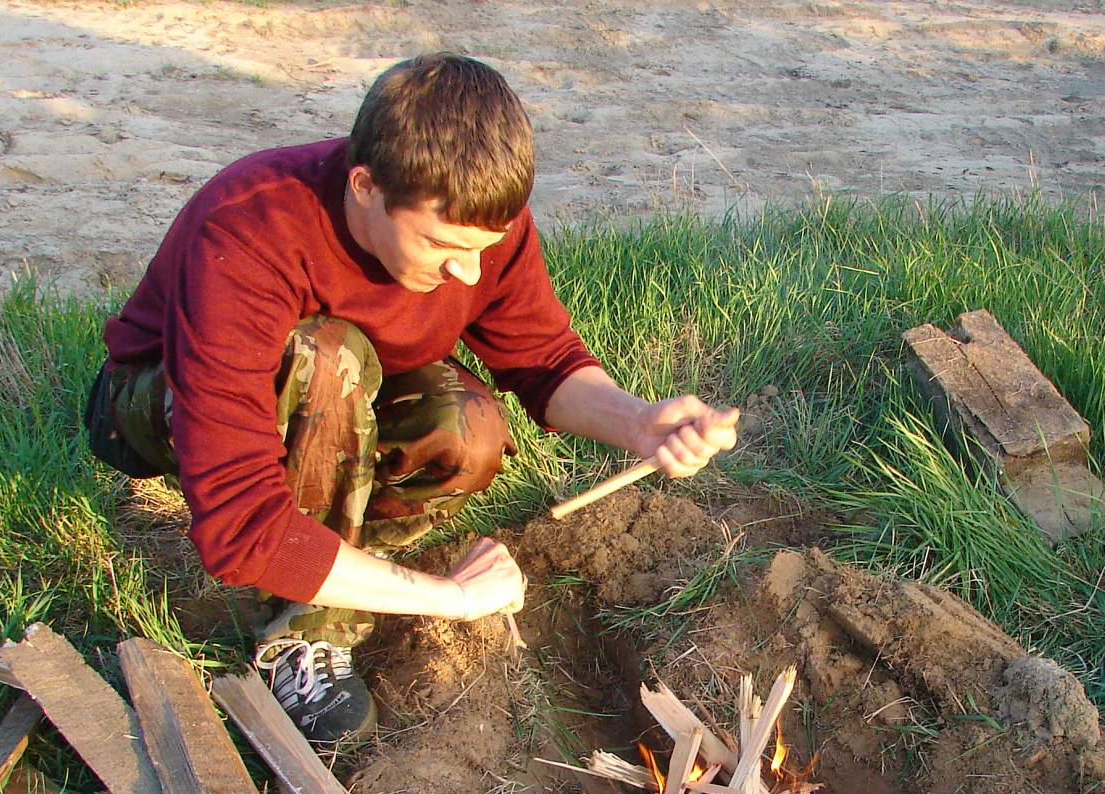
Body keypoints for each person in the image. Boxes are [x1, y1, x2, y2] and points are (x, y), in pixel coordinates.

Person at [87, 52, 739, 743]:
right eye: (440, 247)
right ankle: (304, 632)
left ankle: (351, 553)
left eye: (482, 249)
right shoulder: (252, 230)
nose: (466, 270)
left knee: (468, 425)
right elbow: (239, 523)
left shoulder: (477, 222)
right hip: (155, 401)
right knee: (327, 359)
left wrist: (638, 422)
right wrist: (450, 599)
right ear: (365, 187)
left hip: (350, 383)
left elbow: (541, 360)